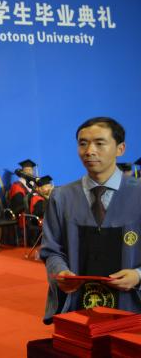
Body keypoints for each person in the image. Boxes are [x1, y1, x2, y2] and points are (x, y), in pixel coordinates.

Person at [40, 117, 141, 323]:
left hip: (130, 307)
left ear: (120, 149)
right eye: (83, 143)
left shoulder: (138, 194)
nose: (89, 151)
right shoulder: (61, 197)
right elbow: (51, 250)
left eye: (99, 143)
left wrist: (138, 275)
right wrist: (60, 272)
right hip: (76, 307)